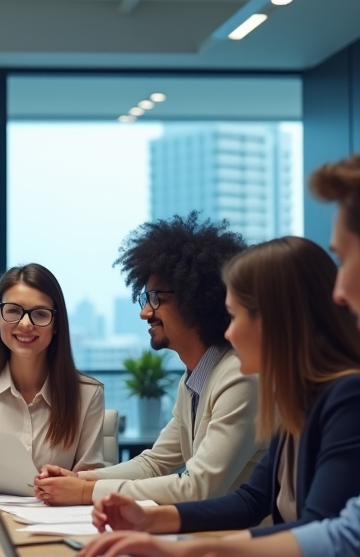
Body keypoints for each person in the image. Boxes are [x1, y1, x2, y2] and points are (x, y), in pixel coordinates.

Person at [81, 129, 360, 557]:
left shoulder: (355, 398)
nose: (339, 293)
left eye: (345, 260)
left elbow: (333, 542)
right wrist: (170, 543)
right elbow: (345, 537)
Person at [94, 236, 360, 545]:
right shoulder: (299, 398)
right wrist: (151, 521)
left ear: (276, 320)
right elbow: (250, 500)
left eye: (234, 316)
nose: (228, 332)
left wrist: (190, 553)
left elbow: (318, 531)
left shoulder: (353, 398)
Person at [34, 213, 265, 506]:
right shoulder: (194, 380)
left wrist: (84, 494)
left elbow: (199, 487)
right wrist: (79, 480)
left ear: (195, 299)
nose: (145, 312)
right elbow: (154, 463)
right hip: (214, 535)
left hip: (243, 542)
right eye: (146, 299)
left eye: (156, 298)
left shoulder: (238, 377)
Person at [0, 264, 106, 494]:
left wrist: (68, 480)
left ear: (56, 325)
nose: (25, 324)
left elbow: (91, 482)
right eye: (13, 311)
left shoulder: (87, 394)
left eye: (40, 314)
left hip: (55, 523)